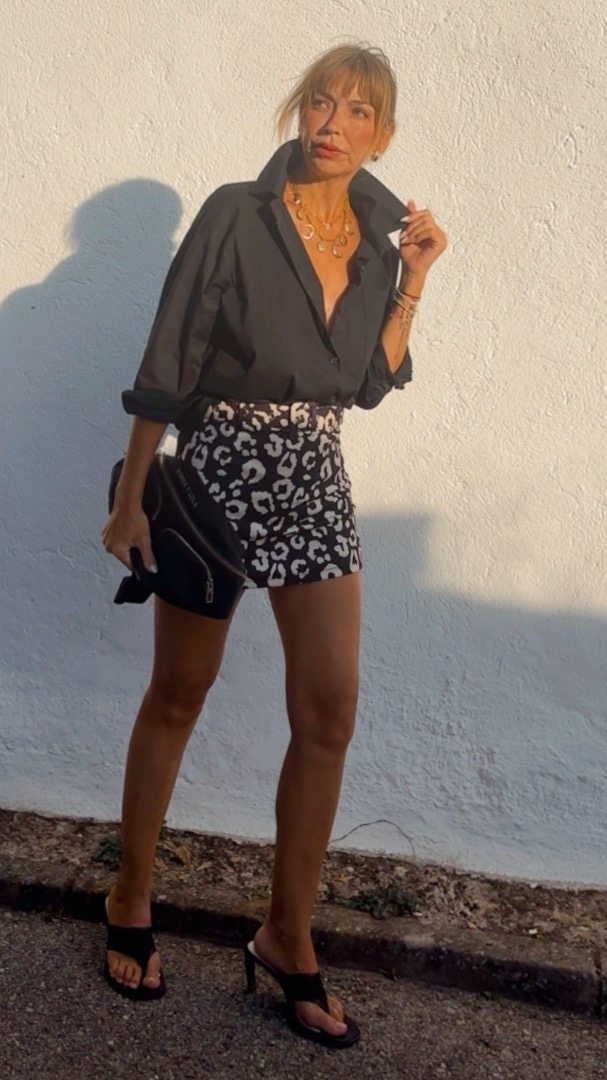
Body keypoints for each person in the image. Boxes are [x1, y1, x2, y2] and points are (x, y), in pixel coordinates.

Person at [101, 43, 447, 1049]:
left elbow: (369, 381)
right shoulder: (235, 214)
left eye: (357, 110)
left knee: (330, 709)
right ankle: (129, 894)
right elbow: (170, 353)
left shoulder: (378, 237)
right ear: (299, 112)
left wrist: (414, 279)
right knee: (180, 690)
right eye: (320, 102)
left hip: (315, 474)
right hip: (218, 465)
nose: (332, 122)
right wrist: (131, 496)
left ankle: (285, 936)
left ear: (382, 133)